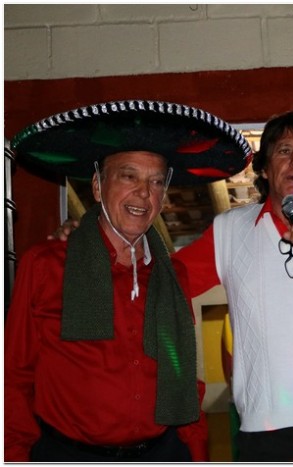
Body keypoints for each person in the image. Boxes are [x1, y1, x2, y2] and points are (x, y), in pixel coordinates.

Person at [50, 109, 293, 461]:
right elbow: (159, 281)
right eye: (284, 150)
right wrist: (94, 241)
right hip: (263, 430)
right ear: (264, 168)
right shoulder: (230, 230)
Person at [4, 100, 252, 461]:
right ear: (98, 186)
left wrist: (196, 452)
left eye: (156, 181)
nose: (144, 192)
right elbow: (13, 375)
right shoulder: (47, 265)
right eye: (128, 176)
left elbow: (182, 372)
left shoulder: (173, 275)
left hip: (163, 453)